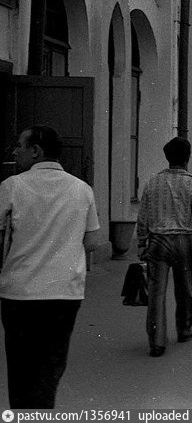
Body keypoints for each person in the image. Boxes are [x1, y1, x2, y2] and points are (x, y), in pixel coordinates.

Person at [0, 125, 99, 408]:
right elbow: (92, 241)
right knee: (51, 366)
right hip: (64, 293)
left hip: (19, 293)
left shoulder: (12, 186)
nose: (15, 151)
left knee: (21, 368)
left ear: (36, 151)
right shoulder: (82, 189)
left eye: (19, 145)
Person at [137, 137, 192, 358]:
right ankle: (184, 328)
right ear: (188, 158)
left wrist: (142, 242)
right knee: (184, 289)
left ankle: (157, 342)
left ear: (167, 157)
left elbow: (143, 216)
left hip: (158, 241)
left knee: (156, 293)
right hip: (184, 240)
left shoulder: (152, 182)